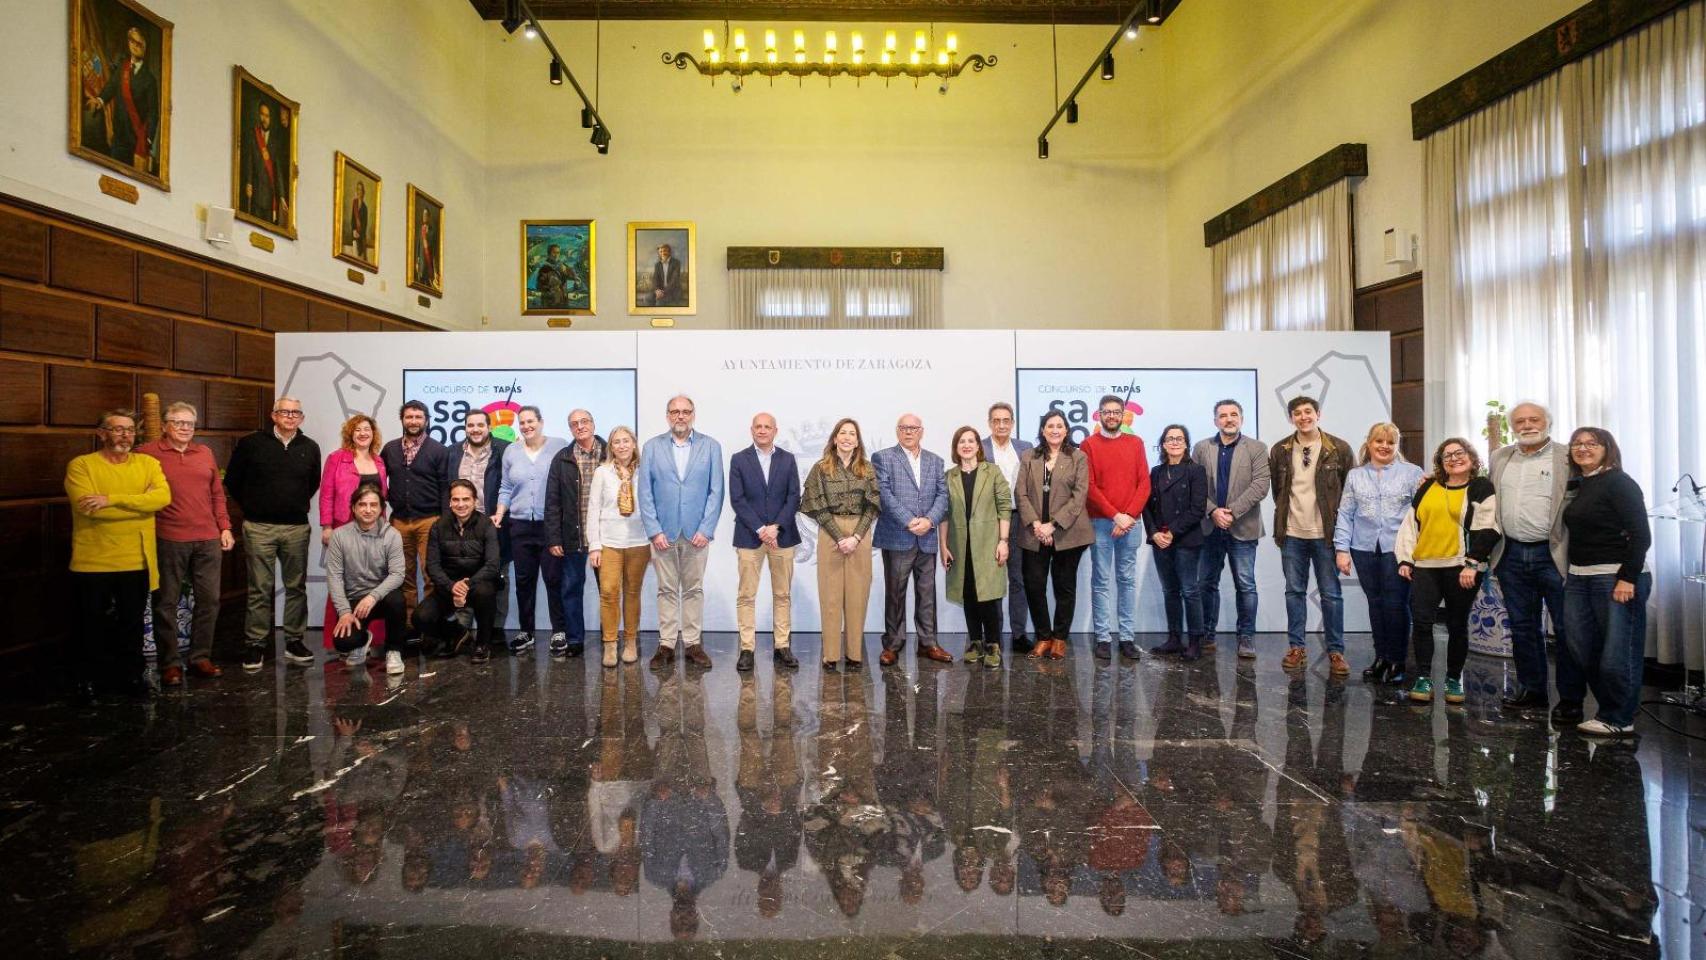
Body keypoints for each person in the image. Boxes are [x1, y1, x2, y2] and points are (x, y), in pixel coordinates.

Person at [66, 409, 170, 700]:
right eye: (118, 429)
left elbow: (162, 498)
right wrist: (140, 506)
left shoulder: (148, 463)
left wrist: (111, 500)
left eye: (130, 430)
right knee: (90, 624)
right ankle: (87, 680)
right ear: (101, 433)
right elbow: (88, 508)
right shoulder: (82, 465)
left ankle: (131, 678)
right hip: (92, 561)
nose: (126, 435)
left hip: (136, 559)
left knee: (131, 624)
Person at [1558, 428, 1652, 737]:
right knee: (1582, 648)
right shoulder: (1583, 484)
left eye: (1591, 443)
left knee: (1618, 653)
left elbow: (1641, 535)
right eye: (1577, 443)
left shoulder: (1619, 483)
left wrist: (1627, 578)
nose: (1583, 448)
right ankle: (1612, 708)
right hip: (1579, 576)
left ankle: (1619, 718)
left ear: (1607, 448)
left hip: (1615, 577)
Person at [1395, 438, 1500, 704]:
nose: (1454, 459)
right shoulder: (1428, 486)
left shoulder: (1481, 487)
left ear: (1471, 457)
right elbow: (1411, 524)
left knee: (1456, 624)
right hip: (1426, 566)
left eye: (1459, 453)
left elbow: (1488, 527)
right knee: (1421, 622)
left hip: (1462, 567)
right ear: (1441, 463)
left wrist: (1472, 563)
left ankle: (1453, 679)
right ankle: (1423, 677)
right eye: (1447, 456)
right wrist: (1405, 559)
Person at [1489, 402, 1577, 717]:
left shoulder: (1567, 457)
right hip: (1511, 554)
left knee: (1566, 629)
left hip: (1553, 554)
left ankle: (1570, 699)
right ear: (1513, 427)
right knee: (1523, 627)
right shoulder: (1500, 458)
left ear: (1547, 422)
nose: (1527, 425)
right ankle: (1533, 690)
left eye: (1534, 419)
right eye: (1520, 421)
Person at [138, 402, 233, 686]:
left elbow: (217, 494)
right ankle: (169, 664)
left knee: (209, 600)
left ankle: (200, 657)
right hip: (169, 538)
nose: (184, 428)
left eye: (189, 423)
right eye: (178, 422)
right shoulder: (146, 454)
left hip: (208, 538)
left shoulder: (204, 453)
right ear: (165, 425)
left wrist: (224, 527)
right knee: (166, 602)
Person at [225, 396, 321, 672]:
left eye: (295, 413)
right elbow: (233, 480)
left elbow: (312, 483)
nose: (290, 417)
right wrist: (254, 506)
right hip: (259, 527)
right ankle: (255, 644)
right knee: (259, 588)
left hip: (296, 527)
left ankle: (294, 640)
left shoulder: (309, 447)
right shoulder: (251, 444)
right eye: (284, 412)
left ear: (301, 418)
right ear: (274, 415)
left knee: (296, 586)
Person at [637, 395, 724, 670]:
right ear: (667, 415)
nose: (680, 416)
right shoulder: (652, 447)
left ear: (693, 415)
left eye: (686, 411)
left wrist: (706, 529)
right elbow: (645, 492)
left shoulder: (711, 447)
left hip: (697, 534)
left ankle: (692, 643)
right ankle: (666, 644)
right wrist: (654, 531)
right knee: (666, 589)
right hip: (663, 534)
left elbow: (716, 491)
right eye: (675, 411)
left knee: (693, 589)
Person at [1333, 423, 1424, 685]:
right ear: (1369, 443)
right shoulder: (1355, 475)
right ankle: (1381, 657)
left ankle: (1397, 660)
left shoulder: (1413, 473)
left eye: (1390, 442)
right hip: (1363, 548)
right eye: (1379, 441)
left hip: (1399, 549)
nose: (1384, 446)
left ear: (1397, 445)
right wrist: (1342, 549)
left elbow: (1422, 513)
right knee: (1375, 603)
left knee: (1396, 604)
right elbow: (1346, 514)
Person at [1270, 396, 1352, 675]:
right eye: (1297, 413)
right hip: (1292, 533)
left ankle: (1336, 651)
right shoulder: (1280, 450)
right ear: (1291, 418)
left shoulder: (1338, 449)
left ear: (1318, 414)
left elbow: (1348, 493)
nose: (1303, 417)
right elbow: (1278, 492)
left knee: (1331, 595)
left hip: (1326, 535)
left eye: (1308, 412)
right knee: (1294, 592)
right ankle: (1297, 648)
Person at [801, 418, 882, 672]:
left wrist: (855, 537)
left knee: (858, 595)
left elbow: (873, 506)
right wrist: (839, 536)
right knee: (830, 595)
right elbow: (816, 505)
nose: (847, 437)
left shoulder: (867, 469)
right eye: (843, 433)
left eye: (852, 434)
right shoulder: (821, 469)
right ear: (835, 439)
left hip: (860, 533)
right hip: (830, 532)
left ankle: (855, 653)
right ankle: (831, 654)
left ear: (857, 441)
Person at [1193, 399, 1269, 660]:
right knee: (1206, 583)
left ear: (1241, 419)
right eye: (1223, 415)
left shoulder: (1256, 448)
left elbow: (1261, 485)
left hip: (1243, 527)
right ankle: (1207, 634)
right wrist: (1213, 511)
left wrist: (1231, 512)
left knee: (1245, 585)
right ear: (1216, 421)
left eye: (1233, 414)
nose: (1229, 419)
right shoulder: (1202, 448)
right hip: (1209, 527)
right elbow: (1195, 486)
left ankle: (1246, 637)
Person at [873, 413, 951, 666]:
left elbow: (943, 495)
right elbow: (884, 494)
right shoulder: (883, 457)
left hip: (927, 537)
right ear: (897, 431)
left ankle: (928, 643)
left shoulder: (935, 461)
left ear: (921, 431)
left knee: (927, 593)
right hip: (898, 536)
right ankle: (893, 645)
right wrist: (909, 521)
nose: (908, 432)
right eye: (904, 428)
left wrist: (929, 521)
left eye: (913, 428)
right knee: (895, 593)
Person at [1015, 410, 1092, 661]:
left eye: (1060, 426)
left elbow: (1079, 496)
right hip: (1034, 532)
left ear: (1067, 430)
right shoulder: (1029, 456)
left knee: (1064, 587)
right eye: (1050, 426)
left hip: (1068, 533)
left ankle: (1059, 639)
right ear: (1042, 430)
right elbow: (1020, 494)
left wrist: (1053, 525)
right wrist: (1037, 524)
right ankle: (1043, 637)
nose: (1055, 430)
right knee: (1034, 585)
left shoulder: (1078, 457)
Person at [729, 412, 802, 672]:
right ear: (752, 430)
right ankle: (747, 648)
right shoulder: (739, 459)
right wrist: (761, 529)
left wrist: (776, 527)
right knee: (746, 595)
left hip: (783, 536)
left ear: (775, 430)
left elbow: (794, 496)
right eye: (758, 427)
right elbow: (737, 499)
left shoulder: (788, 459)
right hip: (750, 536)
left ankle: (782, 646)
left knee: (782, 594)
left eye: (767, 427)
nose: (762, 430)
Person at [1081, 394, 1152, 662]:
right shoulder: (1088, 444)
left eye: (1116, 412)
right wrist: (1115, 515)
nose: (1111, 416)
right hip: (1100, 522)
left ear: (1123, 415)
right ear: (1099, 415)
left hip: (1131, 523)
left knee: (1126, 581)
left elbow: (1144, 483)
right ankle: (1102, 638)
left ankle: (1126, 638)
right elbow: (1089, 486)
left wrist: (1128, 515)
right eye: (1106, 412)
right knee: (1100, 581)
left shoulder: (1136, 443)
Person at [494, 405, 567, 654]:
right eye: (522, 422)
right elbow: (505, 487)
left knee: (554, 579)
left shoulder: (559, 446)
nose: (526, 426)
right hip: (520, 525)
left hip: (550, 526)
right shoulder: (511, 451)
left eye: (530, 421)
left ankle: (559, 631)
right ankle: (526, 632)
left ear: (541, 421)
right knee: (524, 581)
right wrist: (500, 513)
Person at [379, 401, 448, 651]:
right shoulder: (390, 449)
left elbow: (445, 488)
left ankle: (430, 626)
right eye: (409, 417)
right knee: (403, 576)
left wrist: (444, 522)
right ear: (402, 420)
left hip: (429, 521)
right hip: (398, 521)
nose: (414, 421)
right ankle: (409, 627)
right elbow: (380, 482)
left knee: (431, 575)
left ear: (426, 420)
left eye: (418, 417)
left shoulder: (438, 450)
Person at [943, 426, 1013, 669]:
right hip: (959, 545)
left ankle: (993, 644)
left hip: (988, 544)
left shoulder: (992, 472)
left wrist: (1003, 541)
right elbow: (944, 514)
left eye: (971, 441)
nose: (966, 445)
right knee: (968, 594)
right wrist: (943, 545)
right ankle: (975, 643)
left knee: (989, 596)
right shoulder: (949, 476)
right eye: (961, 441)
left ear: (978, 446)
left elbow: (1005, 506)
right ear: (956, 447)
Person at [544, 409, 608, 660]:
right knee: (571, 589)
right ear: (570, 429)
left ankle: (609, 638)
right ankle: (574, 640)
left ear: (593, 423)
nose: (580, 426)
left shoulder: (610, 453)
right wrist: (554, 538)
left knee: (608, 591)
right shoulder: (562, 458)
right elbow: (552, 502)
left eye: (584, 421)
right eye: (574, 424)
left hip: (606, 537)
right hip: (573, 536)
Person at [415, 480, 501, 664]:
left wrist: (467, 585)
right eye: (456, 499)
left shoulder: (486, 525)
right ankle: (456, 633)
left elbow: (492, 565)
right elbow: (432, 566)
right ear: (449, 502)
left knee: (486, 592)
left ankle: (482, 644)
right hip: (448, 586)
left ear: (475, 501)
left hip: (478, 584)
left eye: (465, 499)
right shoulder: (438, 526)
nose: (460, 504)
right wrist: (452, 586)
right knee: (420, 618)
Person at [325, 484, 408, 670]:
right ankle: (362, 642)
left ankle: (394, 651)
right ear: (353, 508)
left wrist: (373, 596)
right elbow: (334, 577)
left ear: (381, 508)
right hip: (355, 600)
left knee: (397, 600)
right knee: (344, 642)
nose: (368, 510)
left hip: (382, 597)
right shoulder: (339, 536)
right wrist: (344, 611)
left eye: (373, 505)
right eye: (362, 504)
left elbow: (397, 574)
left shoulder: (392, 534)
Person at [1144, 425, 1209, 660]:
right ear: (1162, 444)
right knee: (1170, 590)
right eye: (1170, 439)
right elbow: (1146, 507)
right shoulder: (1156, 472)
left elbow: (1197, 509)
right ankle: (1174, 639)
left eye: (1179, 439)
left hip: (1186, 540)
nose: (1174, 442)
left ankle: (1195, 642)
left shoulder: (1196, 471)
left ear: (1186, 443)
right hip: (1160, 541)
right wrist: (1153, 533)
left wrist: (1171, 532)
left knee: (1190, 590)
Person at [587, 427, 650, 667]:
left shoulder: (645, 471)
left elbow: (653, 505)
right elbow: (593, 509)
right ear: (611, 447)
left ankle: (631, 641)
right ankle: (610, 644)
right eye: (616, 442)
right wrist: (594, 545)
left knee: (633, 592)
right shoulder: (602, 473)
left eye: (626, 441)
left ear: (634, 444)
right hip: (609, 543)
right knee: (609, 592)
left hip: (639, 541)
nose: (622, 446)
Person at [443, 408, 511, 622]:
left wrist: (500, 513)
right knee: (462, 574)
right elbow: (445, 488)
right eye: (470, 425)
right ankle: (463, 628)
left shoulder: (505, 450)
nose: (475, 429)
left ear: (489, 427)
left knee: (498, 576)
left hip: (493, 524)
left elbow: (510, 486)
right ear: (465, 428)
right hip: (461, 526)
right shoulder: (452, 452)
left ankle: (496, 628)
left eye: (480, 425)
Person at [982, 403, 1035, 653]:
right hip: (989, 521)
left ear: (1012, 423)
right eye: (996, 420)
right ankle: (993, 636)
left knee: (1018, 579)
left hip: (1019, 520)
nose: (1001, 425)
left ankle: (1019, 634)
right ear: (989, 423)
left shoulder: (1026, 448)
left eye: (1006, 420)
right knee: (992, 581)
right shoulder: (980, 448)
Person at [84, 27, 158, 172]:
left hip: (137, 141)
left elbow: (154, 113)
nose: (135, 46)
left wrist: (148, 139)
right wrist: (99, 100)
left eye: (139, 43)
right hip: (118, 137)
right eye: (132, 41)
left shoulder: (150, 80)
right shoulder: (122, 69)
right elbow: (110, 87)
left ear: (145, 47)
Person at [321, 415, 387, 542]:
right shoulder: (335, 458)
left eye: (367, 429)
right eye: (357, 430)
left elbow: (382, 495)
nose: (363, 433)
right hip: (344, 524)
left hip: (374, 525)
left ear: (373, 433)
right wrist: (327, 526)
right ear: (350, 434)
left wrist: (383, 521)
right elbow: (326, 495)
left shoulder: (379, 461)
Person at [242, 101, 288, 225]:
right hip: (256, 192)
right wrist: (248, 182)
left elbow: (278, 170)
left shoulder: (275, 141)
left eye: (267, 116)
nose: (264, 119)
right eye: (262, 114)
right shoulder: (253, 134)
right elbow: (249, 160)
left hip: (269, 196)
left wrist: (282, 196)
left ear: (271, 118)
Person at [534, 244, 581, 308]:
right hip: (550, 304)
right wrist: (554, 289)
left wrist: (574, 278)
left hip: (563, 302)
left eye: (558, 253)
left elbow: (575, 278)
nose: (556, 255)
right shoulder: (544, 269)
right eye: (554, 253)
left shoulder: (563, 266)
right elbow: (539, 287)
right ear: (549, 254)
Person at [347, 181, 369, 260]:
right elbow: (352, 219)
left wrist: (359, 234)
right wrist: (354, 230)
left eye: (361, 190)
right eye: (358, 189)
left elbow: (364, 225)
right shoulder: (354, 203)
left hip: (361, 238)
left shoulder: (365, 208)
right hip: (354, 235)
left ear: (363, 192)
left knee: (360, 258)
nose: (359, 191)